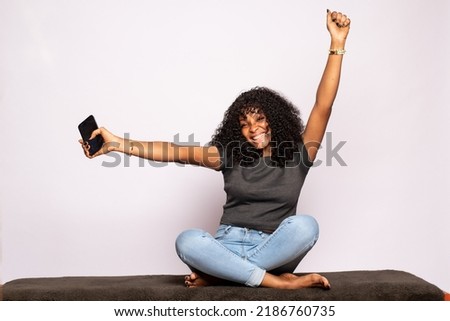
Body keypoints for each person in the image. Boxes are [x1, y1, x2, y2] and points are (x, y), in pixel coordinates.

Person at [80, 9, 351, 289]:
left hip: (274, 249)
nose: (253, 128)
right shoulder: (230, 155)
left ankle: (223, 275)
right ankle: (276, 283)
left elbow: (323, 106)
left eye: (260, 118)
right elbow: (174, 151)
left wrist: (337, 43)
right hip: (227, 245)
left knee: (306, 226)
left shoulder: (299, 154)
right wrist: (117, 144)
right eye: (244, 123)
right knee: (187, 241)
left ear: (276, 119)